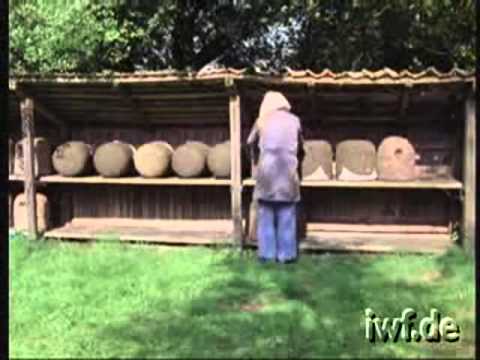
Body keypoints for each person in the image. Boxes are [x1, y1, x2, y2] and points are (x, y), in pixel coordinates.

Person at [247, 91, 304, 264]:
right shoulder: (295, 121)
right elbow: (301, 145)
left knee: (266, 215)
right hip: (288, 174)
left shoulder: (261, 121)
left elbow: (250, 142)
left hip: (267, 175)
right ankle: (286, 256)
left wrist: (255, 160)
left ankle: (267, 255)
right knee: (287, 215)